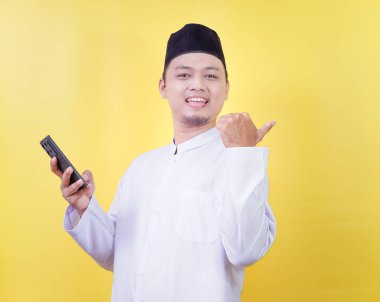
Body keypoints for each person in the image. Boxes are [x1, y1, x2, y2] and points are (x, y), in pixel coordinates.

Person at [50, 23, 277, 302]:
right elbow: (115, 256)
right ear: (163, 87)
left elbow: (246, 251)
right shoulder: (141, 167)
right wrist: (86, 210)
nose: (198, 85)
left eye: (210, 75)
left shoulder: (238, 162)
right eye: (184, 74)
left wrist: (243, 155)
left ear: (227, 88)